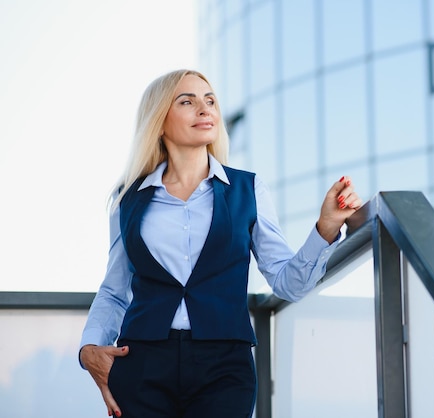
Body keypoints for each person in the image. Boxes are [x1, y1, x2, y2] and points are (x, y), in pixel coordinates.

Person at [79, 69, 362, 418]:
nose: (205, 108)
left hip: (224, 366)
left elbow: (289, 283)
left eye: (210, 100)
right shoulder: (128, 199)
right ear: (160, 122)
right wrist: (89, 348)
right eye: (188, 101)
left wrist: (326, 227)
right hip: (142, 363)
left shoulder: (249, 189)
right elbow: (114, 289)